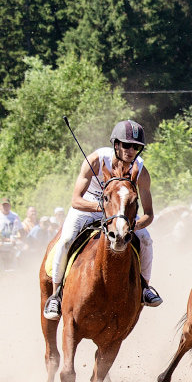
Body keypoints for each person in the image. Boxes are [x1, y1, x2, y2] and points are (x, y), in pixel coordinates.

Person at [43, 120, 159, 320]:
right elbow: (76, 200)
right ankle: (55, 294)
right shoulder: (96, 160)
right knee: (67, 238)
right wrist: (106, 209)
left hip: (122, 211)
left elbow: (149, 213)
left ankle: (145, 288)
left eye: (136, 147)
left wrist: (132, 225)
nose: (131, 150)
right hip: (89, 207)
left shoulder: (141, 171)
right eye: (126, 145)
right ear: (116, 145)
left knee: (147, 240)